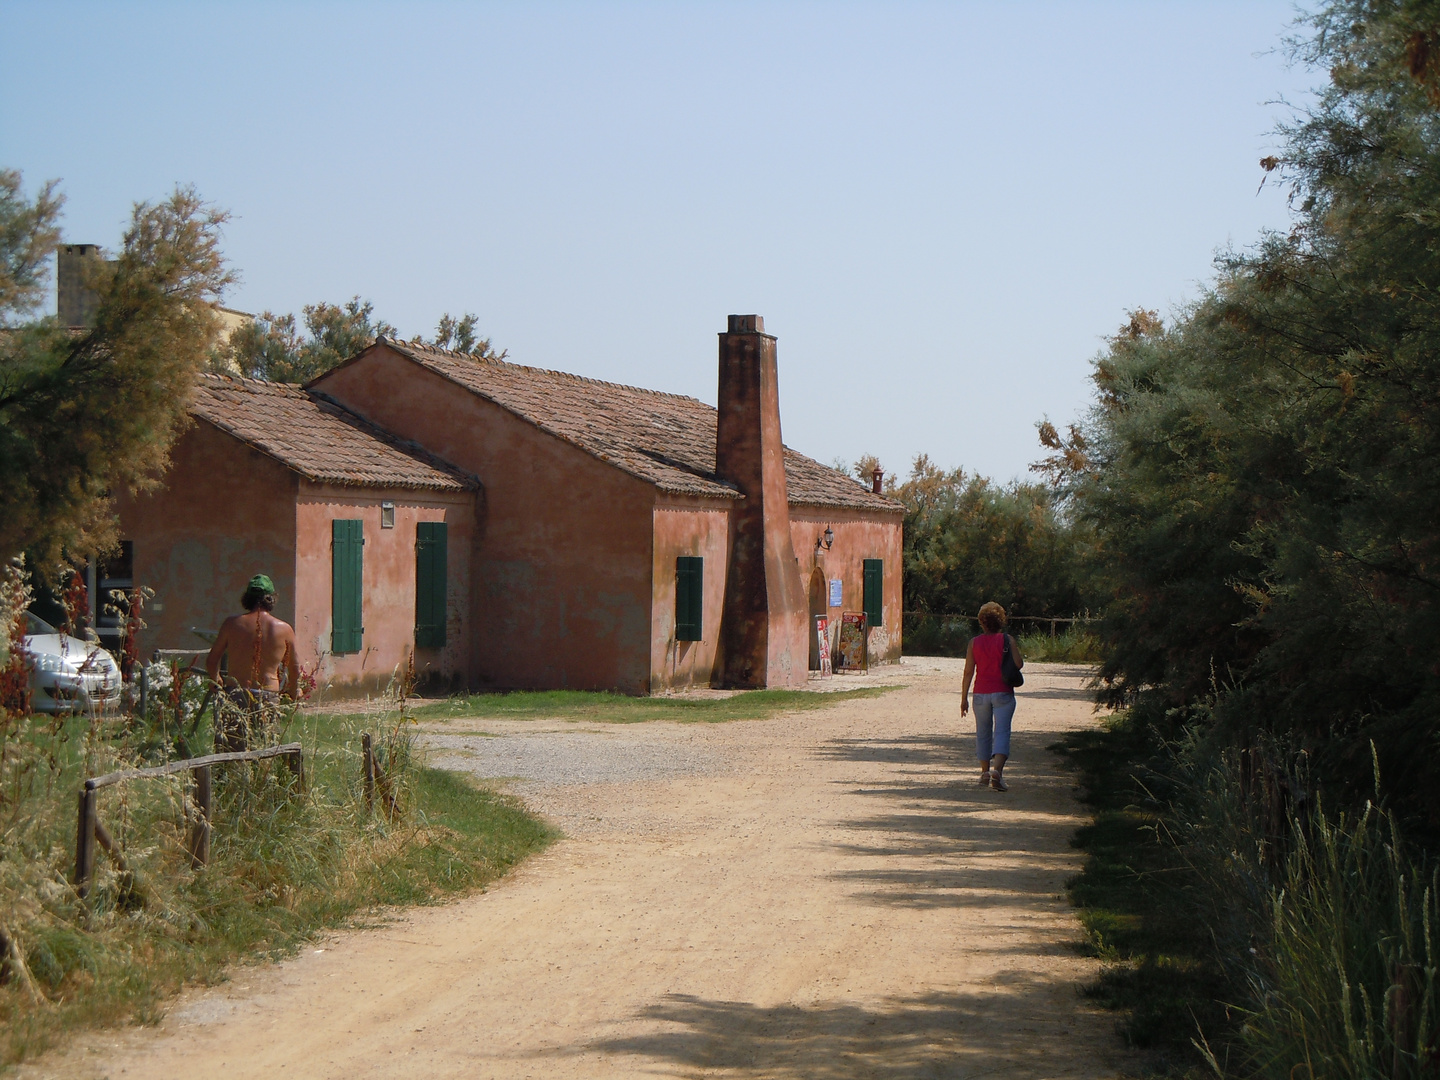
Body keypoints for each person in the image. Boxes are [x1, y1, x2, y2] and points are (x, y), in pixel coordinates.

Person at [206, 574, 299, 752]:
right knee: (265, 748)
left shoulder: (232, 624)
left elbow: (212, 659)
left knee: (231, 751)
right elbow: (294, 667)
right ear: (271, 598)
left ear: (247, 598)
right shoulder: (284, 629)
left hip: (236, 693)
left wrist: (215, 679)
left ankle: (230, 779)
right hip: (267, 696)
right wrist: (294, 690)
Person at [960, 601, 1024, 792]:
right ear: (1001, 621)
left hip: (980, 693)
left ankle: (984, 772)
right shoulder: (1008, 640)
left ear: (982, 622)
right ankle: (998, 772)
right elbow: (1019, 664)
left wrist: (964, 698)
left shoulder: (974, 643)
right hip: (1003, 692)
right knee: (1002, 732)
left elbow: (968, 672)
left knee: (983, 732)